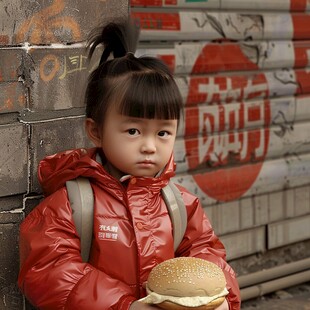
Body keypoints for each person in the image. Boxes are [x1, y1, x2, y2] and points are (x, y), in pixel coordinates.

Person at [18, 19, 241, 310]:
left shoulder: (179, 205)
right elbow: (49, 269)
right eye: (133, 131)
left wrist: (221, 296)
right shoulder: (73, 205)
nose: (149, 145)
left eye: (163, 133)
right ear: (96, 131)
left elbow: (207, 254)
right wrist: (124, 306)